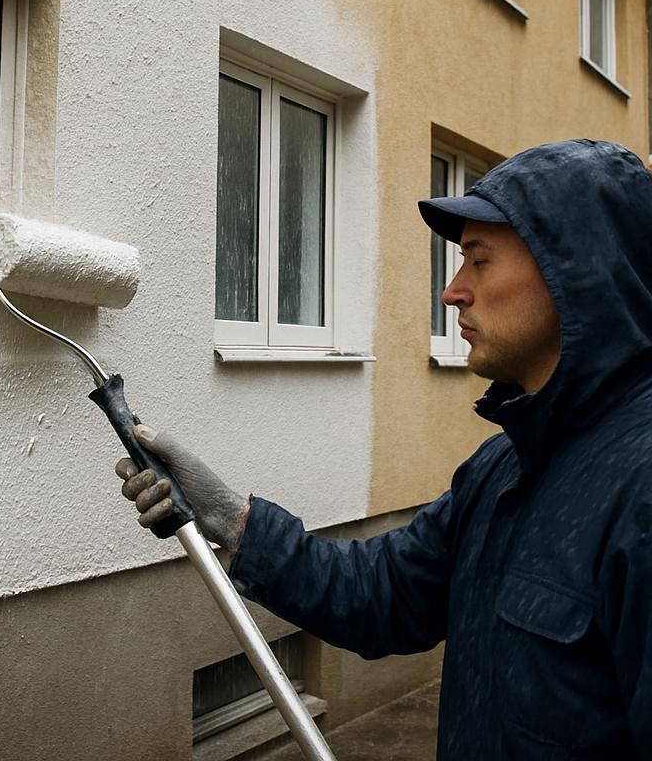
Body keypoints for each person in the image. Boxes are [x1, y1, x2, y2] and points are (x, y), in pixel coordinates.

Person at [116, 139, 652, 759]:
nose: (452, 292)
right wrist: (231, 519)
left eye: (478, 262)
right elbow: (384, 591)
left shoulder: (639, 490)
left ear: (577, 271)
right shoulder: (503, 467)